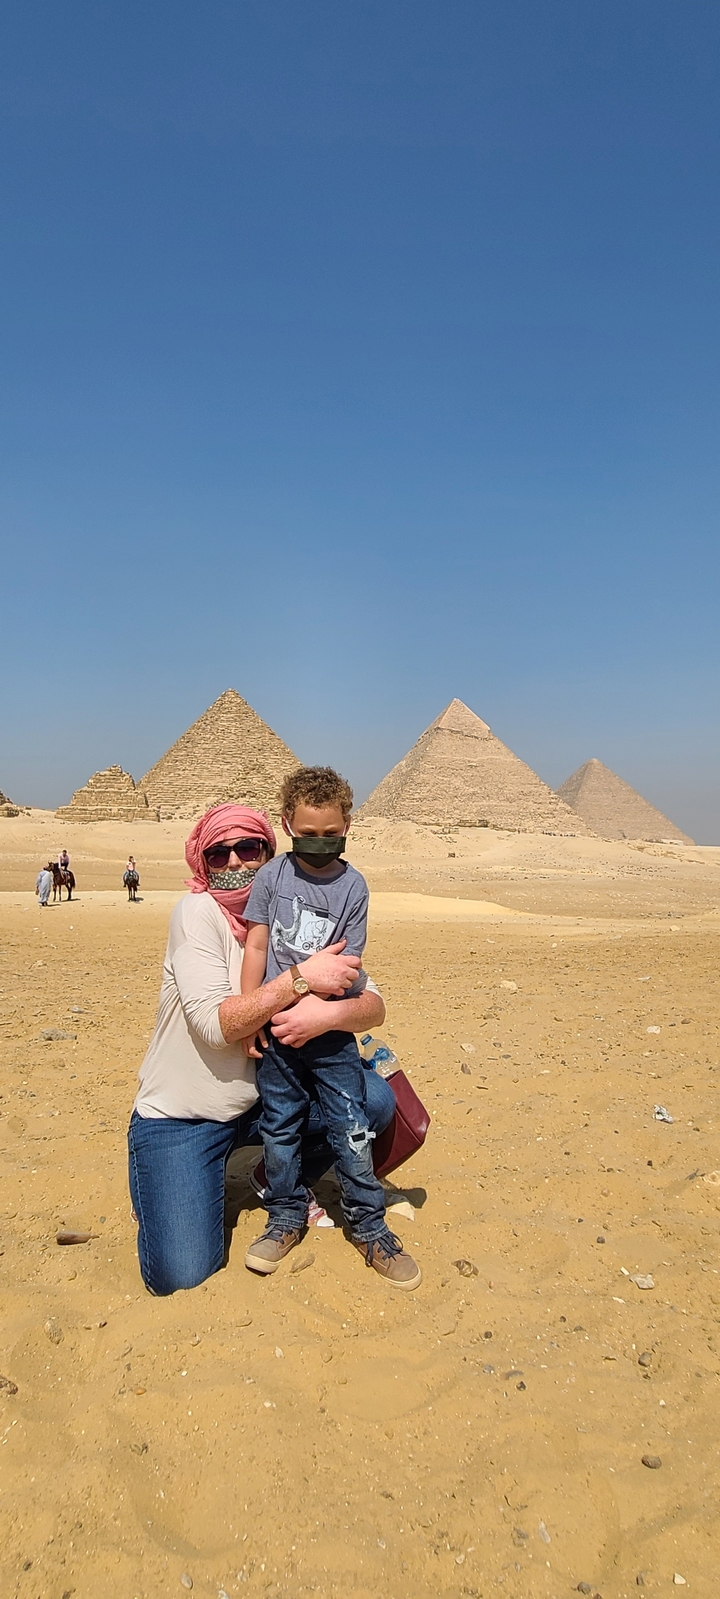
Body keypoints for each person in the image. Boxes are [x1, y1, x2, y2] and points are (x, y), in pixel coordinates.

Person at [127, 802, 400, 1296]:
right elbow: (218, 1025)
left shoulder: (299, 906)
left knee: (376, 1100)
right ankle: (161, 1179)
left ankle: (273, 1179)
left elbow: (374, 1005)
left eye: (248, 848)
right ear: (201, 862)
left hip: (260, 1103)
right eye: (219, 853)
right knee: (182, 1275)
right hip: (182, 1117)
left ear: (270, 853)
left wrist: (330, 1014)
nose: (235, 863)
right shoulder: (197, 915)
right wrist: (299, 981)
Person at [241, 767, 421, 1291]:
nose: (320, 843)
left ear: (348, 825)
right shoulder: (272, 878)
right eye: (307, 834)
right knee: (280, 1125)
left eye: (331, 834)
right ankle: (285, 1217)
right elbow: (256, 945)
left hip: (329, 1032)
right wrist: (253, 1012)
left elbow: (348, 965)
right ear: (287, 825)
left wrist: (316, 1015)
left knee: (351, 1128)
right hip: (276, 1030)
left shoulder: (353, 887)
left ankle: (369, 1227)